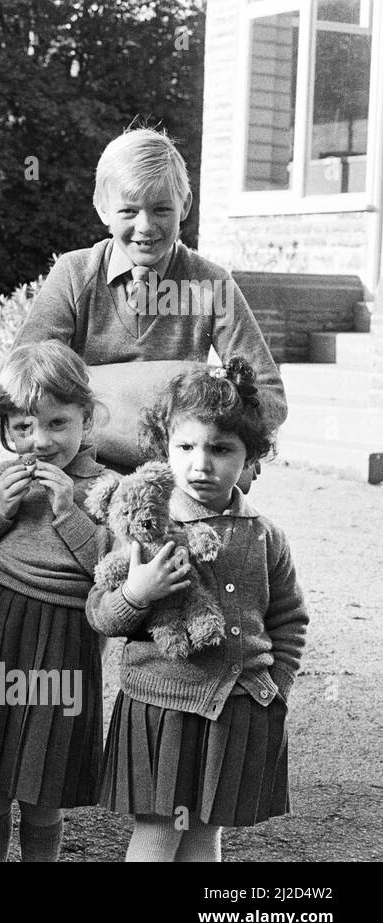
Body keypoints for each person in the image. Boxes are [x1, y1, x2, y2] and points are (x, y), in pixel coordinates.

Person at [87, 359, 307, 861]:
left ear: (252, 459)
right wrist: (137, 594)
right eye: (185, 447)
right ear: (164, 449)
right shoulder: (145, 527)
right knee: (160, 830)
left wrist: (277, 685)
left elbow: (289, 618)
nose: (200, 464)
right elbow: (100, 612)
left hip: (237, 704)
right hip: (163, 703)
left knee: (206, 830)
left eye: (221, 449)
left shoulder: (265, 534)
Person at [14, 127, 287, 477]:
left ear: (184, 205)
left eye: (161, 209)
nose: (145, 227)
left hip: (179, 475)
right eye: (128, 211)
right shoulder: (74, 274)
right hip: (82, 470)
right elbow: (22, 381)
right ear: (102, 209)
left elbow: (269, 395)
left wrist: (233, 444)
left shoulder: (211, 284)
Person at [0, 341, 112, 861]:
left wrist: (70, 512)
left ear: (87, 419)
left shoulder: (108, 488)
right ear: (4, 429)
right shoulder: (0, 477)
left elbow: (114, 574)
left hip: (66, 635)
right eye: (22, 427)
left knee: (46, 784)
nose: (39, 441)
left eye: (56, 423)